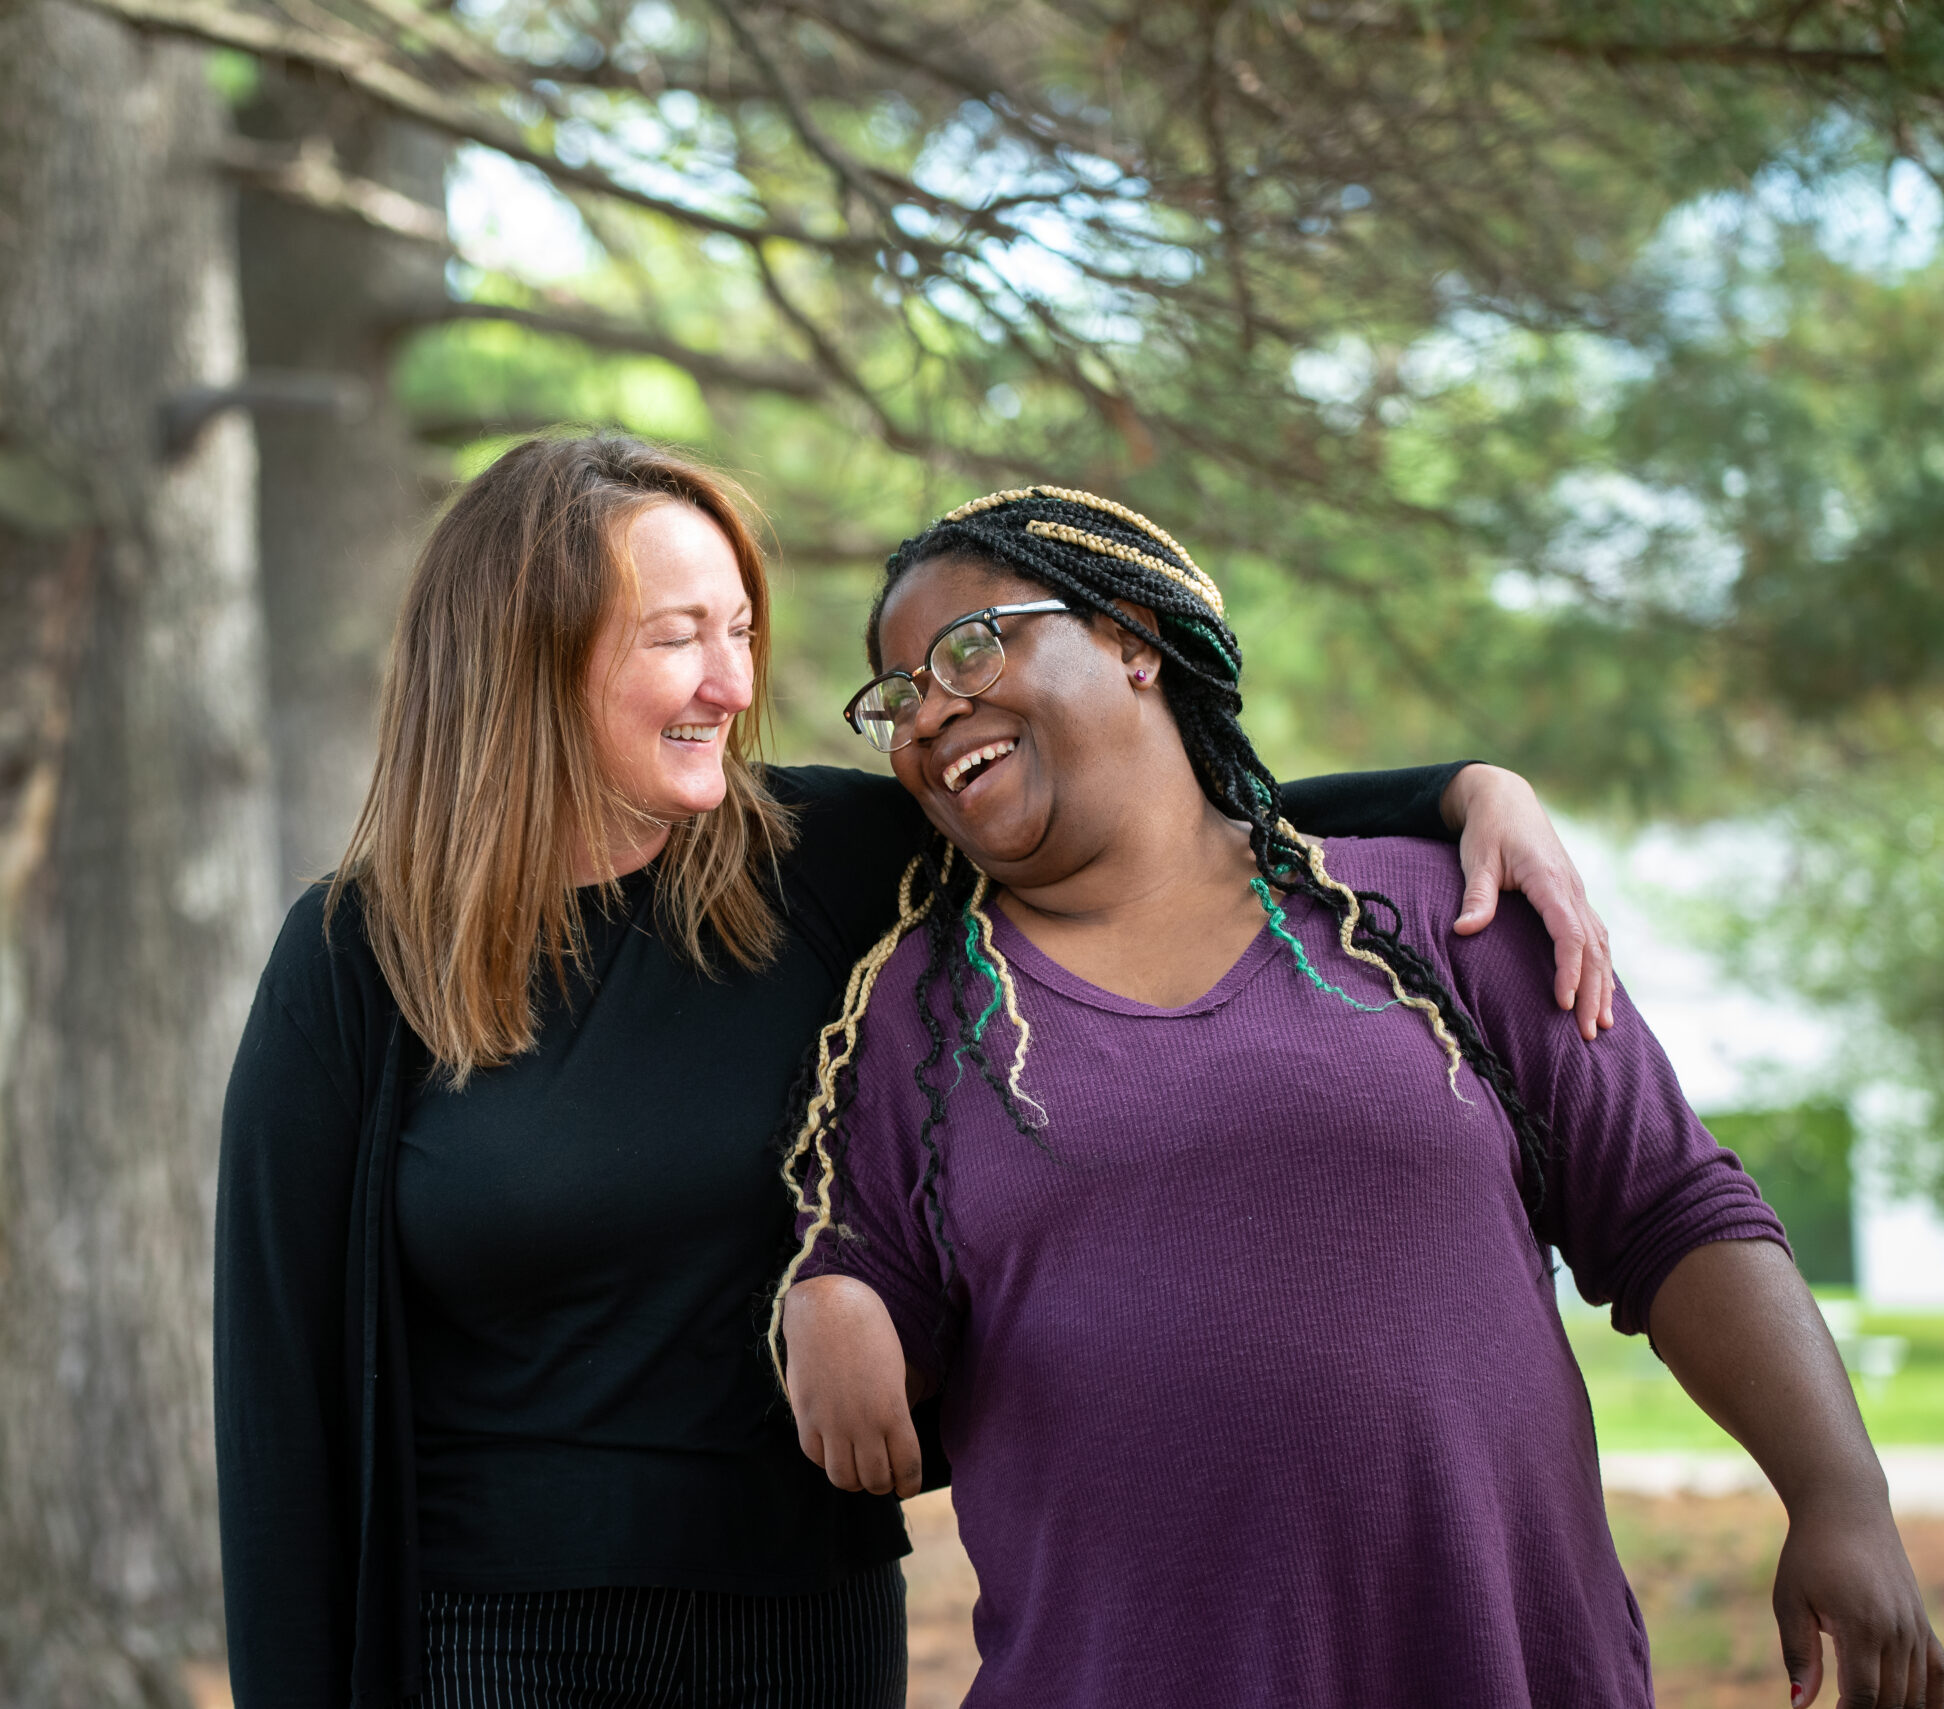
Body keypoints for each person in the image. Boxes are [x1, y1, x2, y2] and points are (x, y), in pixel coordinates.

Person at [214, 437, 1616, 1708]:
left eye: (742, 631)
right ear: (527, 651)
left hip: (805, 1631)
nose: (733, 684)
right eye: (677, 638)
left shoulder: (825, 863)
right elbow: (282, 1408)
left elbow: (1162, 814)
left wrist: (1455, 792)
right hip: (486, 1646)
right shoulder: (357, 960)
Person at [775, 483, 1941, 1709]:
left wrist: (1838, 1495)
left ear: (1129, 635)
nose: (928, 710)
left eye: (971, 643)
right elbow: (875, 1356)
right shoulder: (912, 1015)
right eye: (895, 696)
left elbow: (1669, 1209)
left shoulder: (1440, 910)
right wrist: (833, 1292)